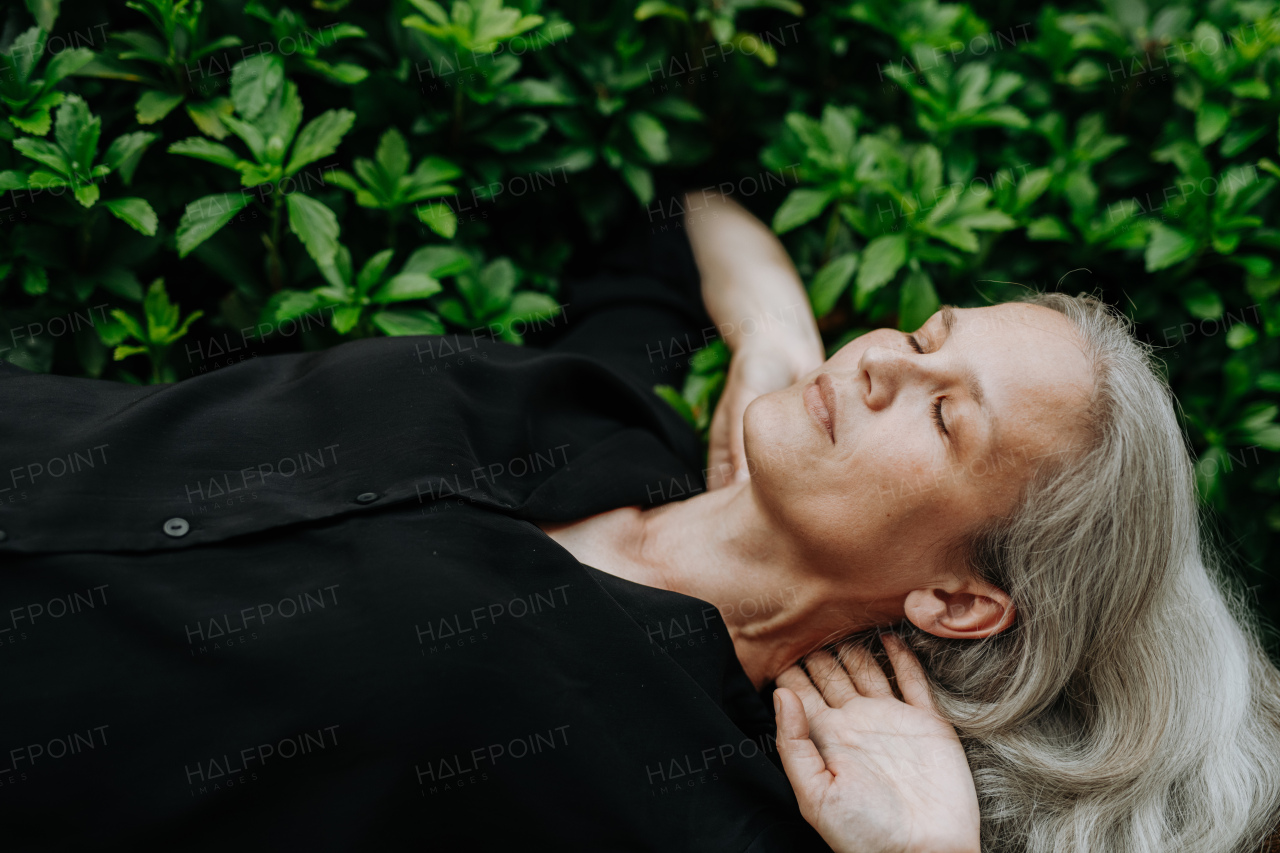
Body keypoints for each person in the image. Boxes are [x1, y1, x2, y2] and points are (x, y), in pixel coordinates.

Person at [0, 189, 1275, 853]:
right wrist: (770, 329)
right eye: (928, 331)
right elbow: (687, 209)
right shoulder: (611, 415)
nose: (884, 357)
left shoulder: (702, 795)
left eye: (947, 419)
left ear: (956, 599)